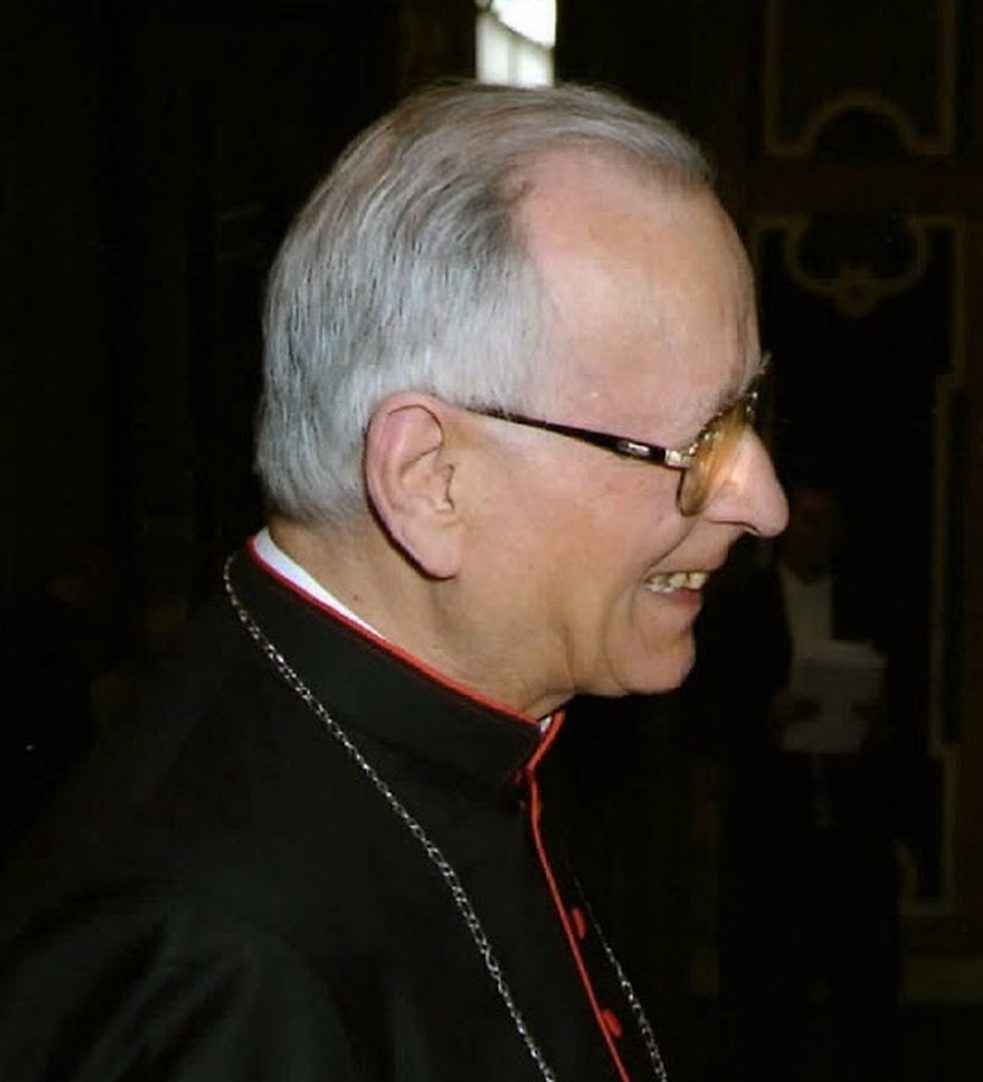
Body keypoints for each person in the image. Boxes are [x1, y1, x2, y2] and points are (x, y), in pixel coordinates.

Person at [0, 81, 787, 1081]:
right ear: (430, 480)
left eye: (747, 405)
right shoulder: (218, 955)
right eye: (696, 441)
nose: (764, 501)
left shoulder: (458, 738)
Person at [685, 480, 902, 1082]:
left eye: (829, 522)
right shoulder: (744, 607)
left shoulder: (864, 605)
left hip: (848, 818)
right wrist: (766, 714)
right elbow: (709, 712)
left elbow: (897, 706)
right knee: (767, 987)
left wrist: (873, 715)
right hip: (771, 819)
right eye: (808, 521)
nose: (820, 534)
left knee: (859, 981)